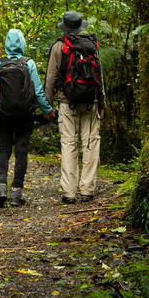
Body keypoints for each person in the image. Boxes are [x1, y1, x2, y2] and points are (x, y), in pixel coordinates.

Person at [0, 29, 55, 208]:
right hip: (25, 115)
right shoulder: (28, 63)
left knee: (3, 150)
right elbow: (38, 91)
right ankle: (16, 193)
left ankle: (1, 189)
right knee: (21, 152)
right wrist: (47, 109)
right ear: (23, 43)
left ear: (6, 43)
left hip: (4, 115)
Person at [45, 11, 105, 204]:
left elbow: (51, 78)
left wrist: (48, 106)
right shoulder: (91, 45)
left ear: (65, 26)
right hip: (91, 102)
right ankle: (87, 190)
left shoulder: (58, 47)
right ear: (80, 27)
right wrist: (102, 102)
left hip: (66, 102)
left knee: (69, 145)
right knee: (90, 145)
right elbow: (100, 77)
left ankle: (69, 192)